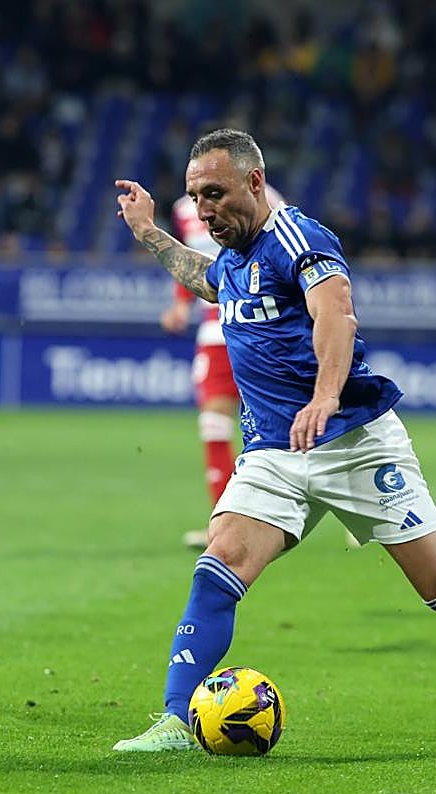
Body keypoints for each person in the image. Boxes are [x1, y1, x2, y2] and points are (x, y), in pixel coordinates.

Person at [110, 128, 436, 752]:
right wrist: (150, 234)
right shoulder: (233, 255)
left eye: (215, 193)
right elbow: (208, 281)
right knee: (218, 567)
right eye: (195, 195)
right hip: (275, 450)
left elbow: (335, 313)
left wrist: (324, 395)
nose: (205, 208)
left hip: (354, 441)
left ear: (255, 182)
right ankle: (177, 721)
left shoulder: (300, 238)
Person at [160, 184, 284, 551]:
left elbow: (281, 252)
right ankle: (223, 524)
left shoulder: (265, 200)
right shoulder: (183, 210)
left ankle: (351, 501)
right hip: (215, 329)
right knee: (213, 424)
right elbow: (189, 261)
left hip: (259, 326)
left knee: (291, 426)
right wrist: (181, 304)